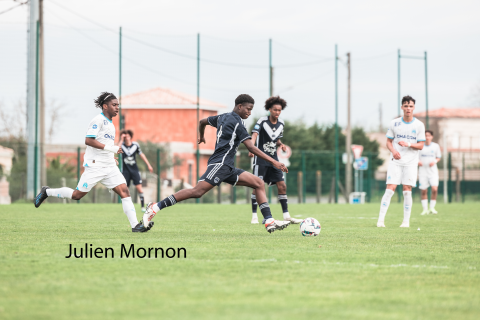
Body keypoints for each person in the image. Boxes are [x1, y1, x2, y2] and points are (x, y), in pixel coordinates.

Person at [142, 94, 291, 233]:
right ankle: (155, 207)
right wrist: (274, 162)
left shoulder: (222, 117)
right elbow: (251, 147)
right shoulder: (237, 123)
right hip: (219, 165)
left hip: (228, 167)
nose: (250, 113)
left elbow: (202, 122)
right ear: (239, 106)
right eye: (248, 109)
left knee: (258, 183)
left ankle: (269, 220)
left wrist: (201, 136)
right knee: (197, 192)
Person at [34, 92, 154, 233]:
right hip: (95, 166)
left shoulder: (111, 125)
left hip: (109, 166)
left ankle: (135, 226)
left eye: (118, 105)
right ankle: (47, 191)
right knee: (77, 195)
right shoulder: (97, 120)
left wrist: (111, 156)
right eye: (114, 105)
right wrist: (111, 148)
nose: (117, 108)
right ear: (105, 106)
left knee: (125, 191)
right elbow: (89, 140)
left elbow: (103, 145)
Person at [249, 96, 302, 225]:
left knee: (282, 185)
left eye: (279, 110)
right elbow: (255, 134)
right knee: (257, 186)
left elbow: (276, 139)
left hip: (275, 160)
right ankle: (254, 216)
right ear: (269, 109)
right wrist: (251, 147)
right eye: (274, 110)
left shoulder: (281, 123)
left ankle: (286, 216)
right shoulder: (262, 121)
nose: (277, 112)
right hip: (261, 159)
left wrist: (281, 144)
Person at [377, 95, 425, 228]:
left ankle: (405, 222)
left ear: (413, 107)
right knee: (390, 189)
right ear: (402, 107)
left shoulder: (419, 125)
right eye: (406, 106)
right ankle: (380, 221)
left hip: (411, 162)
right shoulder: (394, 123)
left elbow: (421, 145)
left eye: (410, 106)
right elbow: (388, 141)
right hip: (395, 161)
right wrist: (393, 151)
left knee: (406, 189)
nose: (408, 108)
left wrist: (408, 144)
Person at [118, 129, 154, 212]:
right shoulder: (122, 145)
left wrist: (148, 165)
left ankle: (142, 207)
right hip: (125, 171)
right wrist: (121, 139)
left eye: (127, 135)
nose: (126, 137)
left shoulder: (135, 145)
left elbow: (141, 155)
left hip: (134, 170)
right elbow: (117, 149)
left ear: (130, 136)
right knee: (125, 190)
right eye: (124, 136)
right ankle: (127, 207)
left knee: (139, 189)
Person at [418, 130, 441, 215]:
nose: (427, 137)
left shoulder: (435, 146)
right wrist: (418, 161)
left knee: (434, 189)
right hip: (423, 172)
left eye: (428, 135)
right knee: (424, 191)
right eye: (425, 136)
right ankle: (425, 209)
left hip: (433, 172)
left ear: (431, 137)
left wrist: (434, 161)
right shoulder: (420, 146)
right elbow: (415, 156)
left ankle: (432, 208)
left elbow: (438, 157)